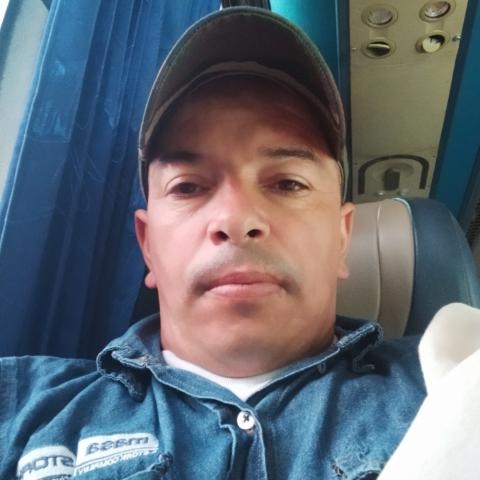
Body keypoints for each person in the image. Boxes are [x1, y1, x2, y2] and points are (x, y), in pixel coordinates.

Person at [0, 7, 426, 479]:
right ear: (147, 245)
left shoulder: (448, 384)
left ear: (342, 238)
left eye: (288, 183)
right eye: (188, 187)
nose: (235, 220)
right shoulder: (22, 408)